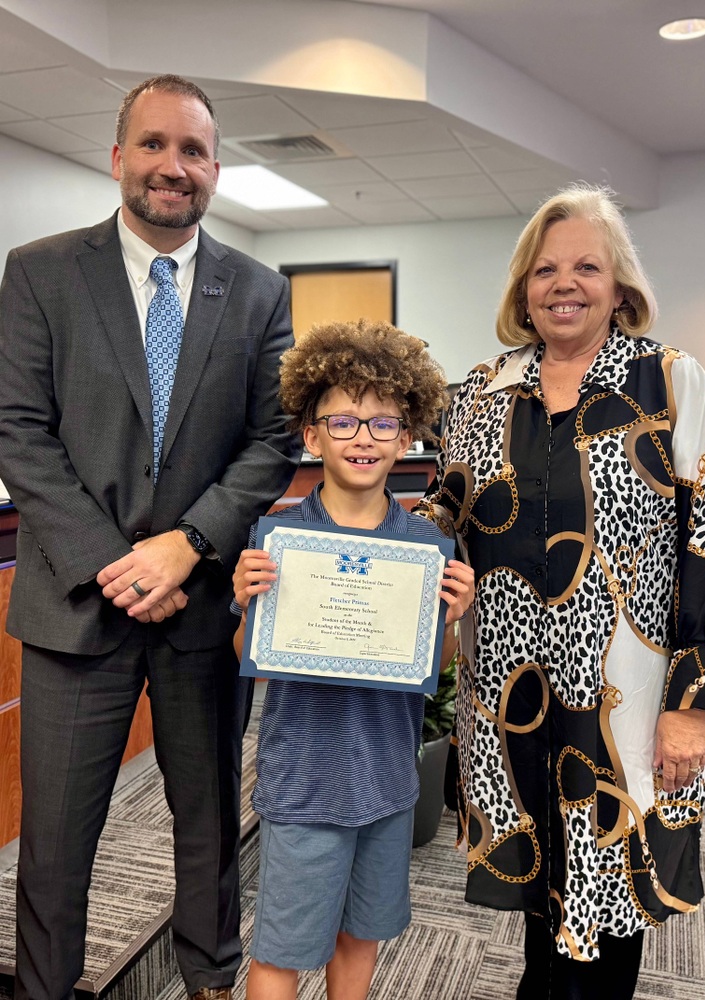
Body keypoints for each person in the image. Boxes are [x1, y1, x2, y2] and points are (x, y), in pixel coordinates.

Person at [0, 75, 300, 1000]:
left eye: (196, 151)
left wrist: (188, 546)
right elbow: (19, 431)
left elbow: (273, 441)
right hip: (73, 607)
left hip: (200, 605)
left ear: (215, 170)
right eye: (157, 144)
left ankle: (211, 980)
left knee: (207, 822)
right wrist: (119, 561)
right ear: (119, 154)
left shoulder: (257, 291)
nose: (175, 166)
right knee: (56, 841)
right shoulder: (41, 270)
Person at [416, 184, 705, 999]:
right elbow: (438, 517)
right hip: (509, 700)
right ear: (523, 289)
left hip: (624, 704)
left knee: (609, 902)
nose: (564, 284)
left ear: (619, 287)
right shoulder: (481, 393)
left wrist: (691, 704)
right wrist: (335, 546)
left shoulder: (668, 382)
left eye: (586, 267)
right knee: (539, 901)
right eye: (545, 269)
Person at [230, 319, 475, 1000]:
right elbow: (252, 657)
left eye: (382, 422)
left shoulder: (424, 547)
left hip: (389, 780)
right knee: (282, 949)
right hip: (304, 783)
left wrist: (452, 617)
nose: (362, 438)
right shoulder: (282, 541)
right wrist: (250, 604)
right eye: (342, 421)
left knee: (359, 939)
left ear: (408, 436)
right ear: (311, 435)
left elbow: (436, 665)